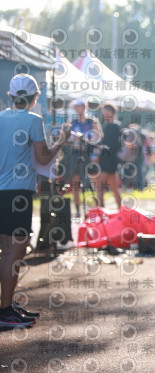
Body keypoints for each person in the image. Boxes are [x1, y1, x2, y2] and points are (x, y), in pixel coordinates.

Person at [0, 74, 70, 328]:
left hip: (3, 191)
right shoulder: (33, 120)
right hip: (18, 192)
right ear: (35, 97)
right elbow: (43, 158)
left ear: (10, 95)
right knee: (15, 251)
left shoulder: (1, 117)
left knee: (7, 250)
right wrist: (61, 141)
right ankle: (5, 310)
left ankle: (6, 305)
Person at [64, 98, 102, 217]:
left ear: (85, 107)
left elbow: (98, 136)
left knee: (92, 180)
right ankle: (77, 210)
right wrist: (73, 139)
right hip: (75, 153)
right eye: (76, 107)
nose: (78, 109)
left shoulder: (92, 121)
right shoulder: (73, 122)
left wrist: (88, 140)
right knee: (76, 182)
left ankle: (97, 208)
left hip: (88, 154)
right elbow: (66, 136)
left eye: (80, 106)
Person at [91, 103, 122, 209]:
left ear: (111, 113)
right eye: (103, 113)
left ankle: (101, 210)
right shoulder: (109, 126)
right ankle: (120, 210)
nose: (103, 115)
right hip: (109, 162)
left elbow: (110, 146)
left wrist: (99, 148)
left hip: (109, 162)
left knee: (100, 187)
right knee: (113, 188)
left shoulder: (114, 127)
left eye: (105, 112)